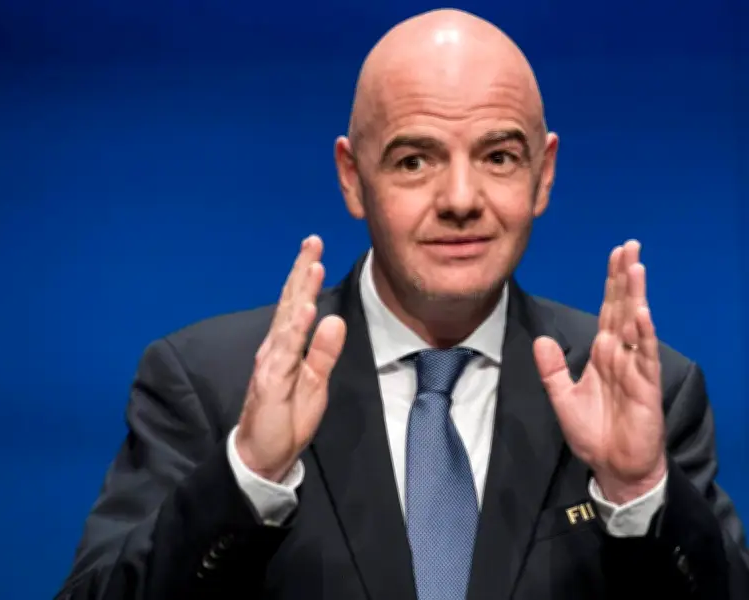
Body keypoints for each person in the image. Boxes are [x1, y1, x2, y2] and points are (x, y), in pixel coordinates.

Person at [54, 8, 749, 600]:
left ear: (544, 175)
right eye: (415, 160)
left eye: (499, 157)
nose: (460, 199)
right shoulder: (212, 383)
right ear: (351, 178)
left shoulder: (643, 394)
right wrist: (247, 478)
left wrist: (638, 493)